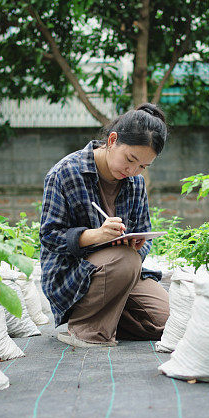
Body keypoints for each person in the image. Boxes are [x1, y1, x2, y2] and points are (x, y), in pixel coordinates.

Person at [39, 102, 170, 348]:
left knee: (165, 323)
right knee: (125, 260)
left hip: (120, 273)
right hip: (71, 276)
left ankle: (106, 316)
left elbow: (144, 234)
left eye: (143, 166)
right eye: (130, 159)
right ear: (112, 140)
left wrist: (136, 243)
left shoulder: (136, 183)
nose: (133, 170)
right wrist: (95, 236)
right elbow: (49, 236)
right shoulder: (66, 173)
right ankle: (85, 330)